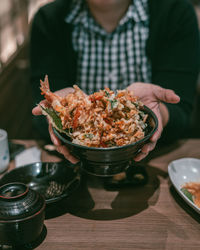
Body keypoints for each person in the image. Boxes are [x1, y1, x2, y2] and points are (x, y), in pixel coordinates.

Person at [31, 0, 200, 164]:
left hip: (153, 161)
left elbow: (180, 110)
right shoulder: (49, 19)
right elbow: (39, 112)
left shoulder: (176, 12)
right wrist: (58, 113)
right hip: (74, 164)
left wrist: (152, 115)